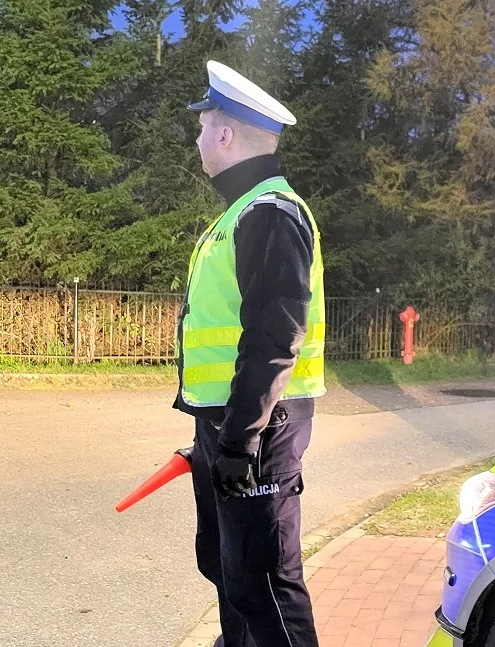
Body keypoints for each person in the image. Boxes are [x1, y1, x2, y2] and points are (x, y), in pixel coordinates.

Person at [177, 60, 326, 647]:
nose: (197, 140)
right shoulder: (244, 212)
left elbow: (273, 337)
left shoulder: (270, 213)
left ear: (225, 135)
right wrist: (210, 439)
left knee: (264, 584)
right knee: (230, 572)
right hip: (235, 424)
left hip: (259, 428)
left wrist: (239, 441)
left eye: (202, 128)